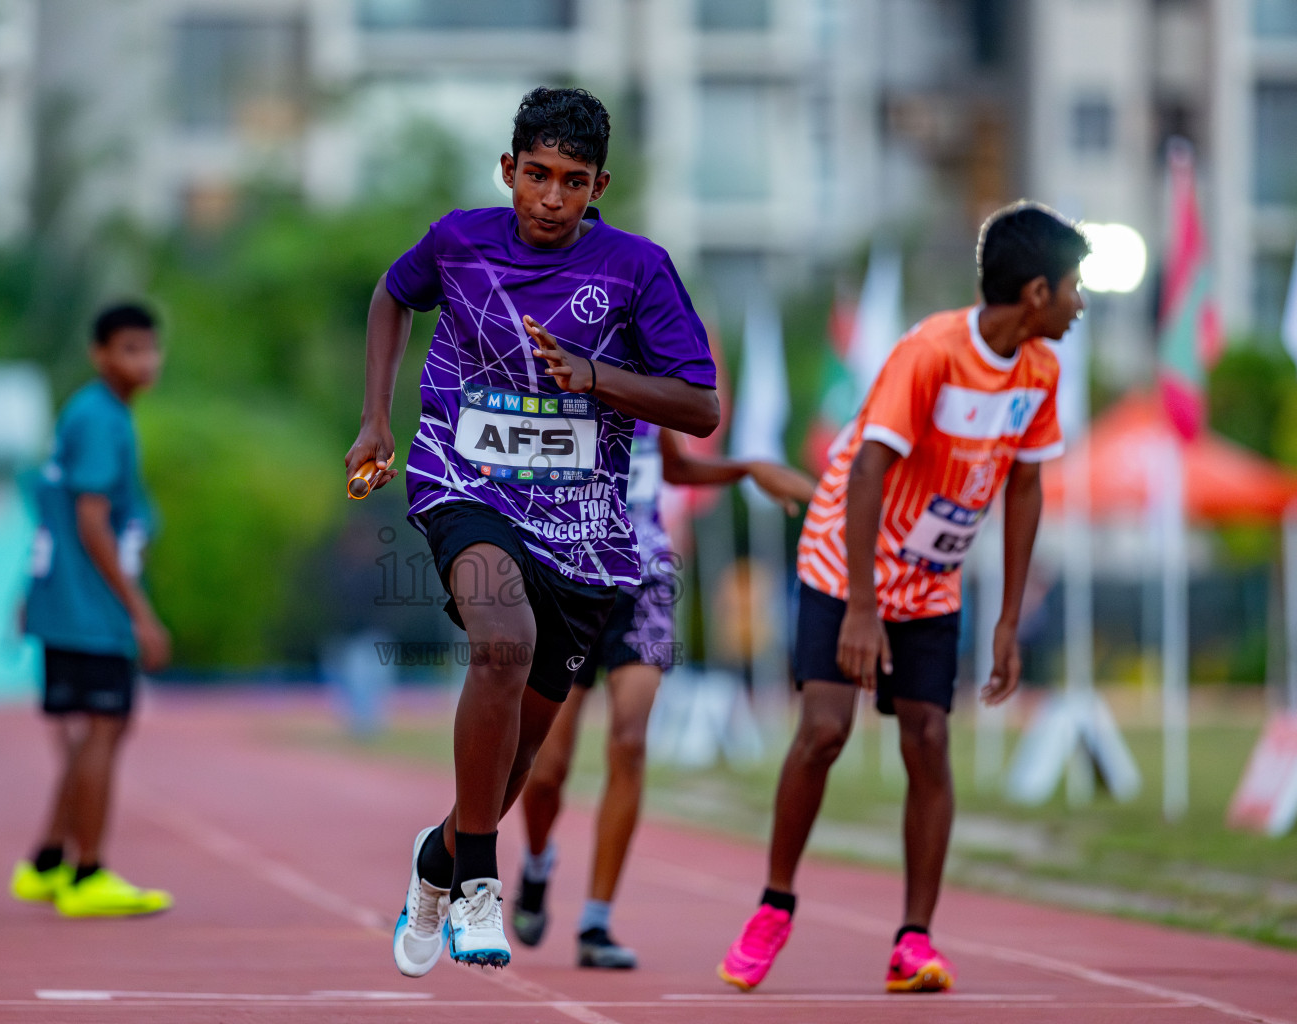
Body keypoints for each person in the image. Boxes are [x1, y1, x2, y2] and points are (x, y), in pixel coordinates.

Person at [348, 86, 719, 974]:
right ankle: (481, 886)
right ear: (508, 170)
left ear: (600, 188)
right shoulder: (460, 240)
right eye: (537, 176)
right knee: (502, 643)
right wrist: (375, 418)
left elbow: (699, 405)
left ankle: (438, 860)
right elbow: (393, 296)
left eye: (573, 182)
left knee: (514, 768)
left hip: (586, 533)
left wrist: (594, 375)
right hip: (462, 482)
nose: (551, 199)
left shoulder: (637, 270)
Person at [717, 202, 1088, 994]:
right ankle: (773, 907)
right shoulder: (931, 353)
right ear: (1034, 292)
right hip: (843, 559)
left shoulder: (1040, 371)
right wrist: (859, 605)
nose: (1079, 302)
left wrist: (1009, 620)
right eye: (1073, 286)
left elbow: (1025, 489)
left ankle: (913, 940)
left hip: (932, 580)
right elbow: (864, 473)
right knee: (823, 729)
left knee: (927, 737)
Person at [514, 421, 817, 968]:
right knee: (547, 768)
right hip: (569, 577)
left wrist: (746, 468)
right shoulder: (570, 372)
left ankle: (596, 922)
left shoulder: (650, 387)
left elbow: (675, 467)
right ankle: (537, 863)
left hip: (646, 579)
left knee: (629, 741)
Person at [9, 302, 173, 919]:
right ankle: (88, 872)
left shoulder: (88, 412)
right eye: (130, 349)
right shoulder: (103, 418)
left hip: (68, 602)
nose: (145, 361)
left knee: (89, 735)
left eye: (151, 348)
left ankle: (47, 861)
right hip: (91, 609)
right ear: (100, 354)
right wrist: (139, 611)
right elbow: (90, 519)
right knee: (102, 730)